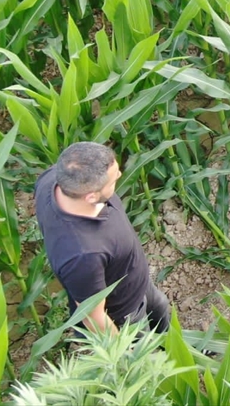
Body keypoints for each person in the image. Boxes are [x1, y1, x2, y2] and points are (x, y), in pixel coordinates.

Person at [34, 142, 170, 335]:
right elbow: (93, 317)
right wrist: (125, 356)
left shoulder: (53, 179)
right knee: (146, 342)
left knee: (160, 308)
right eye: (113, 180)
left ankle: (178, 346)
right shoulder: (82, 254)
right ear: (90, 197)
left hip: (136, 282)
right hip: (124, 312)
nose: (121, 176)